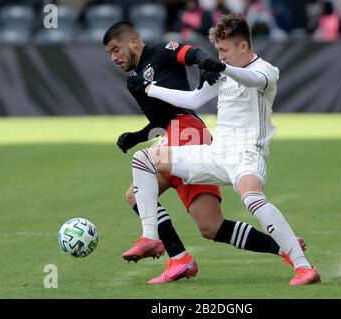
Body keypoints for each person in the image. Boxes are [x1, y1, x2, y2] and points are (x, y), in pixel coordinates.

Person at [103, 21, 305, 284]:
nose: (114, 57)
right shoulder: (136, 80)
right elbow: (165, 116)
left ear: (133, 41)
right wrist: (140, 136)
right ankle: (286, 248)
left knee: (136, 192)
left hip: (187, 132)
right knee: (211, 226)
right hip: (179, 132)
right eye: (109, 53)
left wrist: (207, 65)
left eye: (116, 49)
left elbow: (192, 54)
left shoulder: (161, 50)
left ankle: (169, 251)